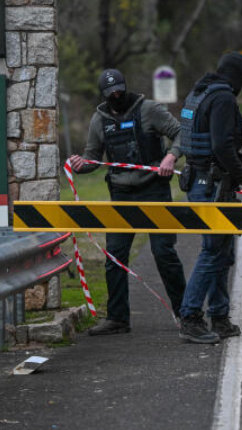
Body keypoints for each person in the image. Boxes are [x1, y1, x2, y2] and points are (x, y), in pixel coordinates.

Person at [68, 68, 187, 336]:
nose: (117, 95)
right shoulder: (99, 121)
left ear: (126, 86)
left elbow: (181, 133)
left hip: (154, 191)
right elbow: (92, 158)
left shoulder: (149, 109)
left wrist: (172, 156)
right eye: (112, 93)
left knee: (164, 254)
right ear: (105, 95)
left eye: (120, 90)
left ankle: (186, 313)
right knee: (114, 257)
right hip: (121, 195)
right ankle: (118, 318)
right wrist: (79, 165)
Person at [177, 51, 242, 344]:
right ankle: (190, 317)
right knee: (213, 252)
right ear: (237, 77)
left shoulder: (198, 94)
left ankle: (220, 316)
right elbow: (223, 146)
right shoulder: (223, 99)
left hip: (199, 180)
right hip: (213, 185)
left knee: (222, 252)